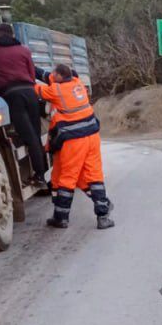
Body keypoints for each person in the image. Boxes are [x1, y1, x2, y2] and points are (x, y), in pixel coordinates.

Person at [35, 64, 114, 229]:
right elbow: (48, 76)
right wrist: (35, 69)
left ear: (58, 77)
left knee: (67, 178)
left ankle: (61, 218)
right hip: (92, 136)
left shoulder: (55, 91)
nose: (51, 76)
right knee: (95, 175)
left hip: (74, 140)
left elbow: (34, 89)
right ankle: (103, 216)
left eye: (54, 74)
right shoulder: (78, 84)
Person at [0, 23, 48, 184]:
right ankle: (41, 174)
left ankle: (40, 176)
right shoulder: (24, 49)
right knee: (35, 134)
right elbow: (32, 74)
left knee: (28, 135)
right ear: (13, 35)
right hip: (30, 92)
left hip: (12, 95)